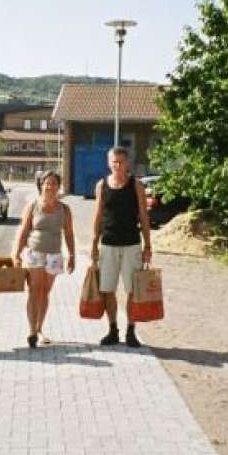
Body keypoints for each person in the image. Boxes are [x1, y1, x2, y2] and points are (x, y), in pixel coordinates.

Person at [90, 146, 151, 348]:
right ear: (109, 163)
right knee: (107, 289)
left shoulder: (136, 185)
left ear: (127, 163)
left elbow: (144, 216)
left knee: (132, 290)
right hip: (108, 244)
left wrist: (148, 246)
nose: (117, 166)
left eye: (121, 162)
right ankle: (113, 329)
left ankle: (131, 331)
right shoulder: (101, 185)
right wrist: (93, 244)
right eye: (113, 162)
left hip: (132, 244)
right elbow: (98, 216)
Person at [12, 170, 75, 348]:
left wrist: (72, 255)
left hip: (54, 254)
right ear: (41, 185)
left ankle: (40, 329)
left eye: (54, 183)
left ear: (58, 186)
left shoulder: (64, 209)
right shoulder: (33, 206)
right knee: (34, 291)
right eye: (47, 183)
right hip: (34, 253)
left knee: (45, 292)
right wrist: (16, 253)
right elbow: (24, 230)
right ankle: (31, 330)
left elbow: (69, 234)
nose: (50, 187)